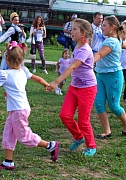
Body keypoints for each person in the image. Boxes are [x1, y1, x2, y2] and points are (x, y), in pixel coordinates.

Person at [0, 41, 59, 170]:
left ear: (7, 59)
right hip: (20, 109)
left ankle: (51, 145)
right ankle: (8, 162)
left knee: (24, 137)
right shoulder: (23, 71)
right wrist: (46, 84)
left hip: (19, 110)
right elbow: (37, 78)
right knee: (8, 133)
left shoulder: (4, 74)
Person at [48, 18, 97, 156]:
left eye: (75, 29)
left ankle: (91, 145)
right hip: (74, 87)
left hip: (87, 89)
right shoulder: (77, 46)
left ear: (83, 33)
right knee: (65, 115)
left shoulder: (84, 50)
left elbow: (73, 67)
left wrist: (56, 82)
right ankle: (78, 137)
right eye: (72, 28)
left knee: (83, 121)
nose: (71, 31)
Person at [93, 16, 126, 139]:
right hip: (101, 74)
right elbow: (125, 44)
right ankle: (107, 131)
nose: (102, 27)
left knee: (114, 106)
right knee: (99, 103)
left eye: (104, 25)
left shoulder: (112, 42)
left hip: (113, 76)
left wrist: (85, 62)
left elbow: (99, 55)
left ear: (112, 27)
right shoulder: (114, 39)